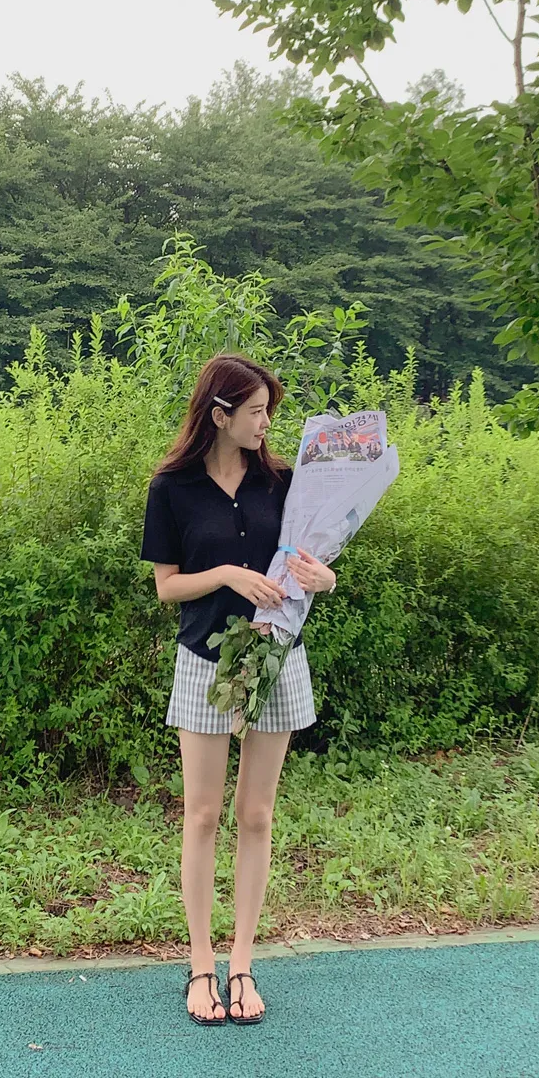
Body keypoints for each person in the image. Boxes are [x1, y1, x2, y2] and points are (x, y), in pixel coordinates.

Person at [140, 354, 336, 1027]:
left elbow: (312, 562)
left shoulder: (282, 483)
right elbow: (167, 586)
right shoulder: (172, 487)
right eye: (256, 411)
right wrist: (227, 573)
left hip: (278, 657)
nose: (266, 423)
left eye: (269, 411)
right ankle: (201, 966)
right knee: (202, 815)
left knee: (256, 815)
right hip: (205, 659)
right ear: (220, 415)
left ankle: (243, 964)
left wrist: (324, 580)